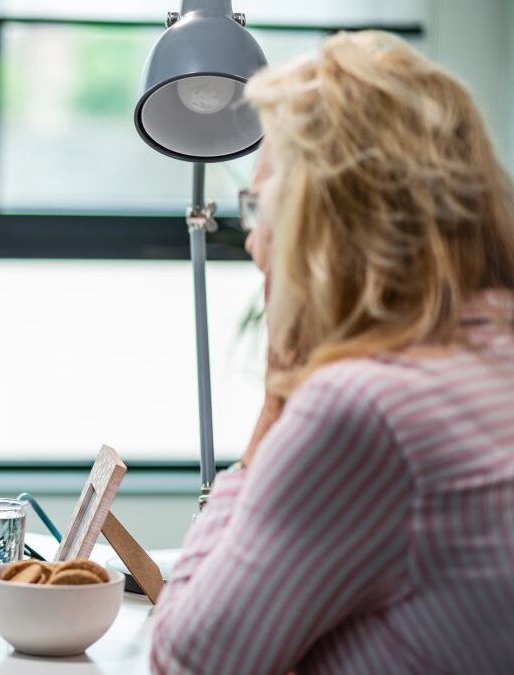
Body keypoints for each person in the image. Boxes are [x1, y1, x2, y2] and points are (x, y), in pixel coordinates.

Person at [151, 32, 514, 674]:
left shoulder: (363, 409)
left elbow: (190, 661)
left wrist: (276, 402)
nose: (255, 243)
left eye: (261, 206)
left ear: (324, 221)